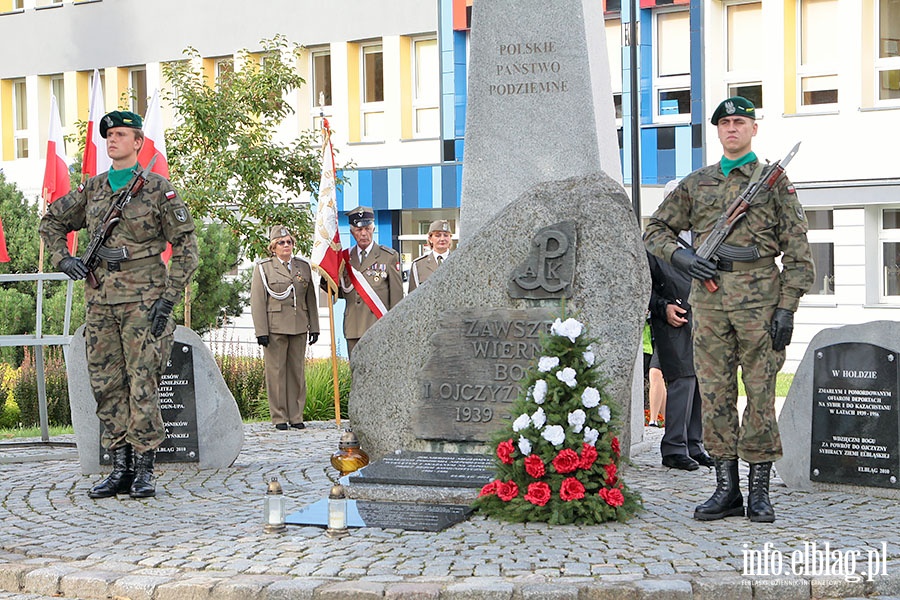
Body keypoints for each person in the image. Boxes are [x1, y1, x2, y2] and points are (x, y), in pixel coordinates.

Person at [644, 96, 814, 522]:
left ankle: (759, 492)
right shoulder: (697, 183)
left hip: (760, 300)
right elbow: (655, 229)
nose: (731, 129)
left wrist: (787, 308)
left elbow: (798, 253)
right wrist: (682, 258)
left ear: (753, 128)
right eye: (724, 123)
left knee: (759, 395)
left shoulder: (774, 183)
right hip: (710, 300)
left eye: (739, 122)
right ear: (717, 131)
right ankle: (726, 489)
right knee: (716, 395)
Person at [40, 110, 199, 499]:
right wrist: (64, 259)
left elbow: (187, 249)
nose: (112, 140)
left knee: (143, 383)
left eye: (121, 134)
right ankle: (120, 466)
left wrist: (169, 298)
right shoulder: (92, 189)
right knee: (106, 384)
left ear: (138, 142)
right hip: (100, 302)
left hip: (144, 302)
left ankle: (145, 468)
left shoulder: (159, 190)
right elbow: (51, 223)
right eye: (108, 134)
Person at [647, 242, 713, 471]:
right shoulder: (653, 243)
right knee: (682, 380)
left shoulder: (702, 234)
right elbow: (643, 286)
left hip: (703, 316)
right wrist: (662, 306)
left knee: (699, 381)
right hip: (673, 319)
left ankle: (694, 446)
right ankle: (674, 448)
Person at [250, 226, 320, 431]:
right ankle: (279, 416)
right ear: (273, 247)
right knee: (276, 373)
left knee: (297, 373)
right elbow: (258, 302)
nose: (286, 245)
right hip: (275, 327)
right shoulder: (264, 268)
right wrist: (261, 331)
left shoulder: (303, 267)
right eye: (281, 243)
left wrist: (314, 326)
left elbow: (311, 299)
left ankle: (296, 415)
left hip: (299, 325)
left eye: (289, 242)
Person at [340, 206, 403, 355]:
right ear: (351, 232)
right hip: (353, 326)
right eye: (358, 230)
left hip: (378, 325)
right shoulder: (344, 258)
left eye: (367, 229)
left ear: (373, 229)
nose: (363, 234)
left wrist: (395, 327)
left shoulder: (388, 256)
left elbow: (397, 298)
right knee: (357, 374)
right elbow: (340, 292)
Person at [408, 219, 453, 293]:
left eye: (446, 235)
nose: (442, 239)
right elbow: (412, 296)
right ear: (430, 239)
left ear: (450, 238)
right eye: (437, 235)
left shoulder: (458, 261)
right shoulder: (418, 265)